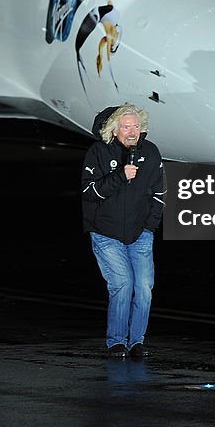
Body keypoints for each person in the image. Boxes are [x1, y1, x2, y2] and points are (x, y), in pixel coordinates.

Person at [81, 103, 166, 359]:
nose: (132, 132)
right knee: (122, 283)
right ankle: (116, 341)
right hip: (106, 233)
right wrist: (120, 175)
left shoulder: (151, 153)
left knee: (143, 286)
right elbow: (89, 192)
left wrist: (149, 227)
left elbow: (160, 194)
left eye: (136, 126)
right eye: (127, 127)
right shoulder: (98, 152)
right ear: (114, 129)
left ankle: (136, 341)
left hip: (140, 233)